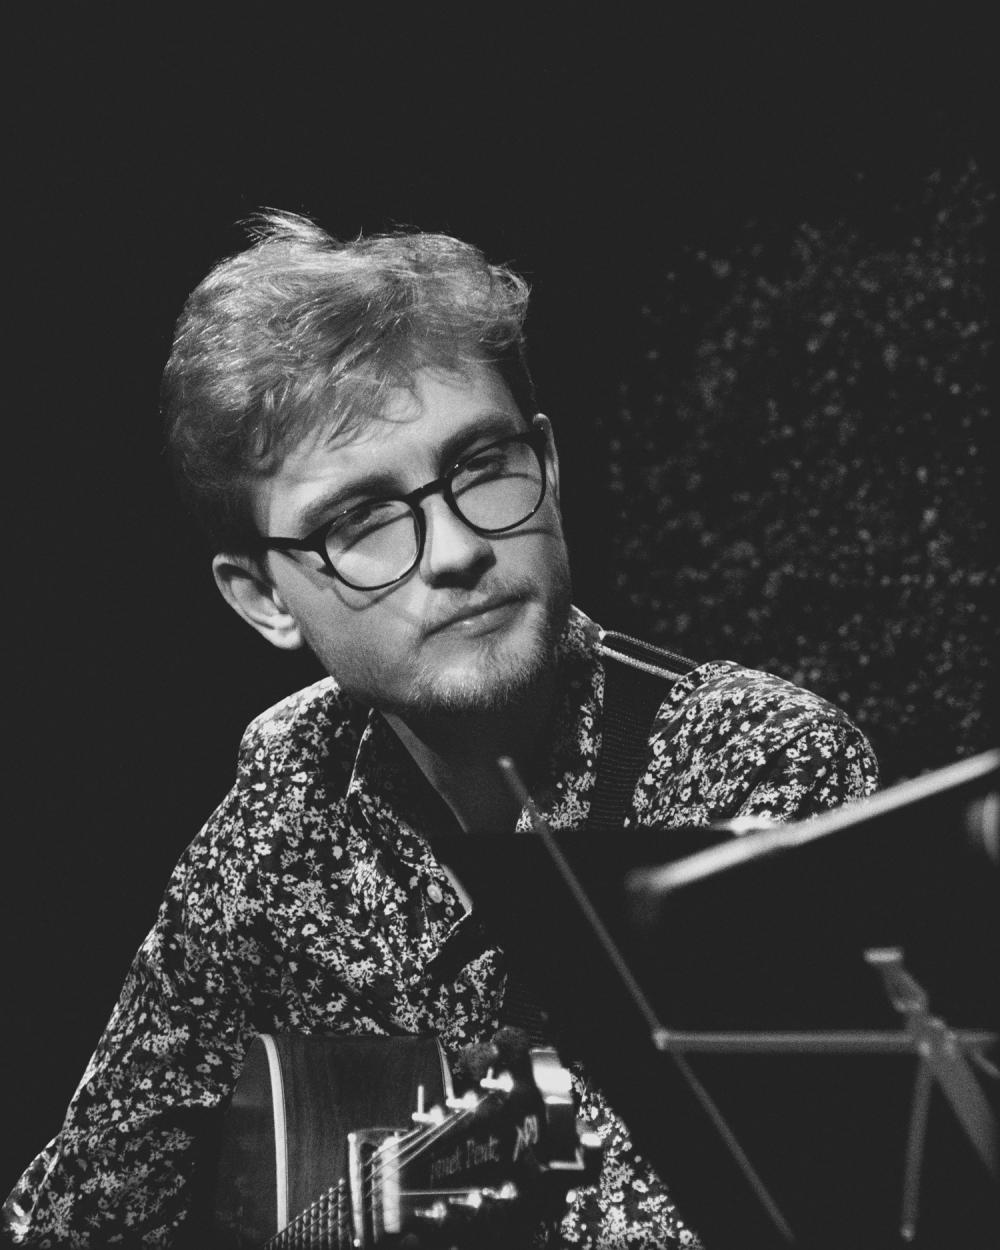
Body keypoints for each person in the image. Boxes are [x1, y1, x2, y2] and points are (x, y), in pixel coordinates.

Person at [4, 213, 879, 1247]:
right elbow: (76, 1209)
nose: (458, 548)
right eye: (361, 519)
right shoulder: (287, 799)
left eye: (481, 464)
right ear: (264, 598)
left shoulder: (757, 768)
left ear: (547, 462)